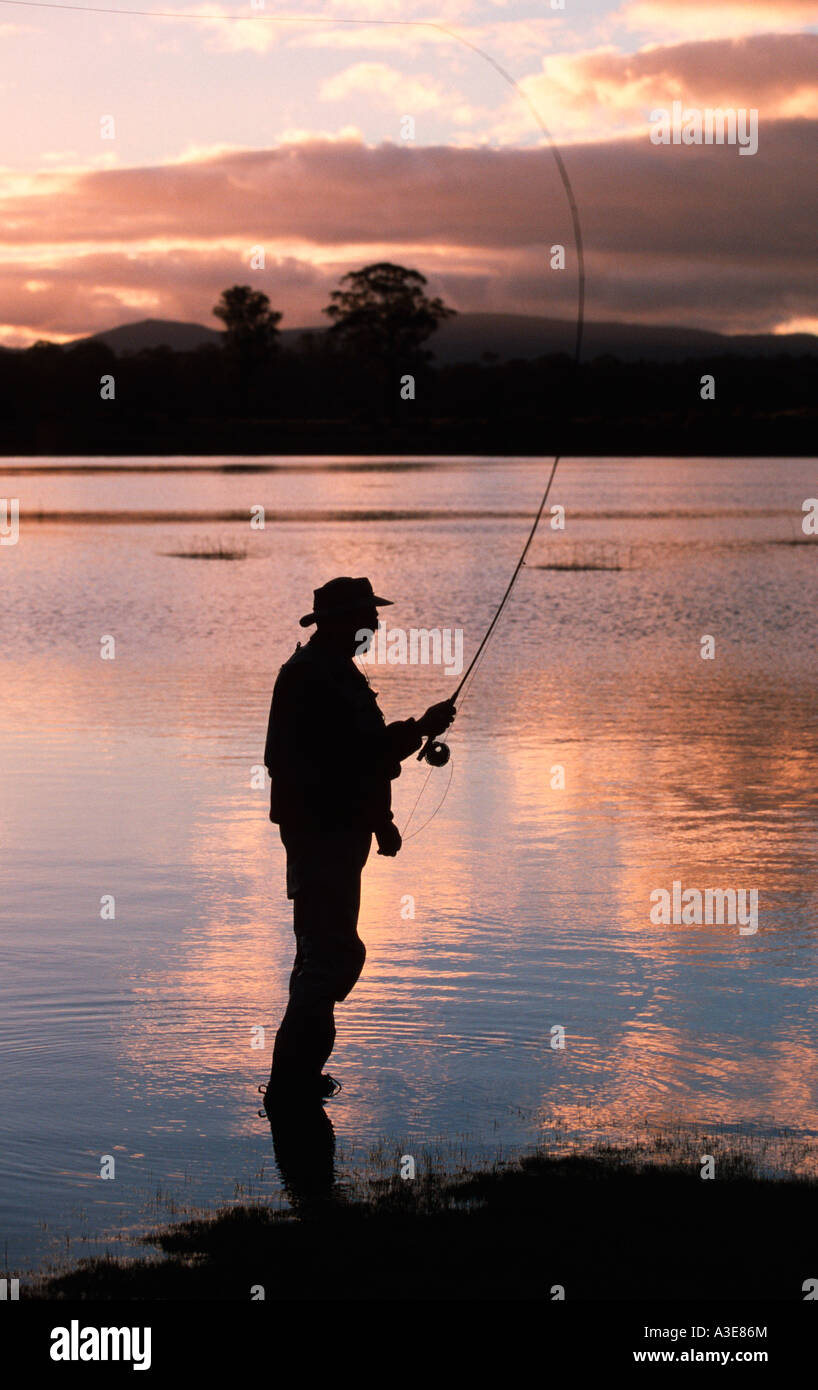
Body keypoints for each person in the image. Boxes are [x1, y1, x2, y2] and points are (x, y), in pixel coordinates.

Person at [261, 576, 455, 1111]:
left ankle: (299, 1082)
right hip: (320, 839)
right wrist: (418, 727)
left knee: (323, 954)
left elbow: (359, 758)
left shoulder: (334, 672)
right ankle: (289, 1086)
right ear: (344, 621)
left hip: (336, 836)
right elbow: (352, 756)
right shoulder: (311, 677)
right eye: (369, 615)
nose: (377, 624)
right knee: (328, 957)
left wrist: (380, 821)